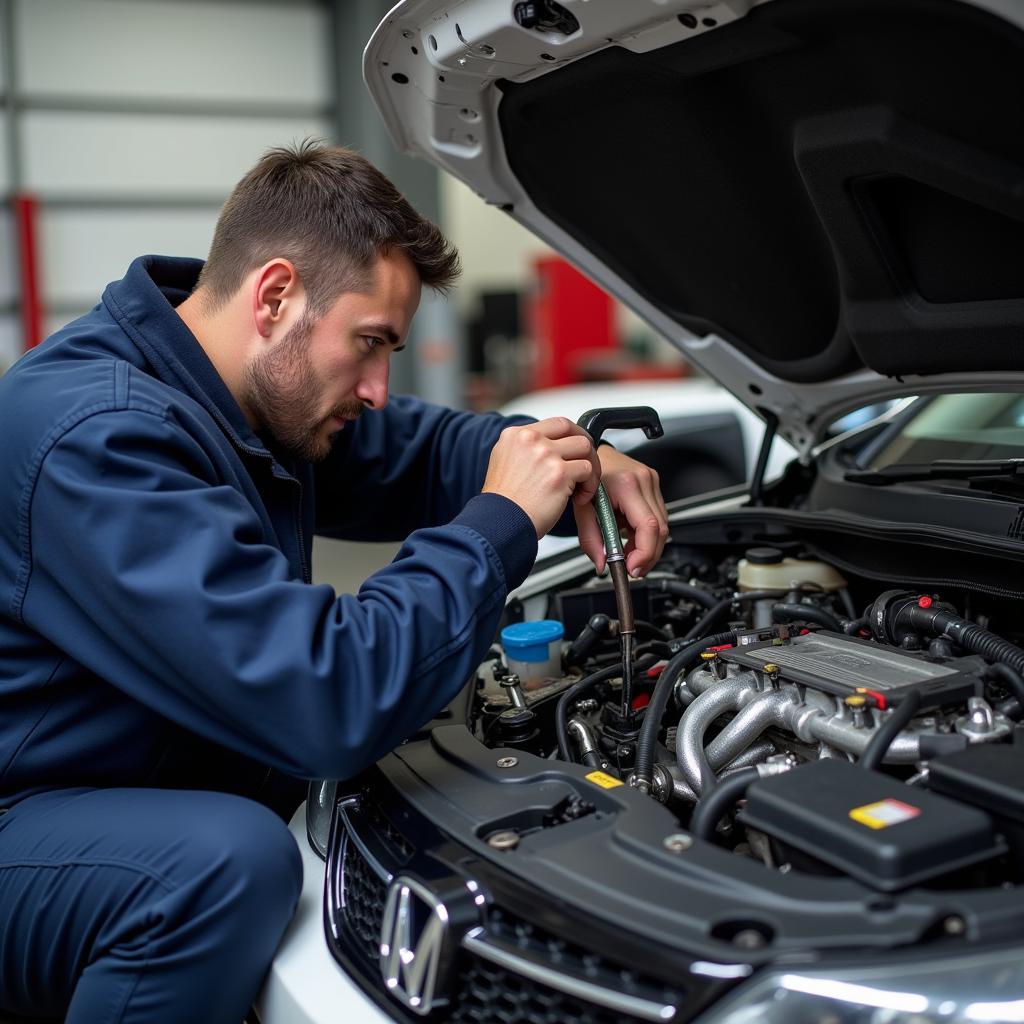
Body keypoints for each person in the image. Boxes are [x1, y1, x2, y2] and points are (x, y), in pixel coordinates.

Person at [0, 141, 668, 1023]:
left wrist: (570, 452)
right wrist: (502, 520)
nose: (380, 387)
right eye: (370, 344)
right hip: (24, 815)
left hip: (111, 785)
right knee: (217, 868)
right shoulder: (96, 439)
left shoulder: (233, 390)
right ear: (275, 295)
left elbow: (426, 449)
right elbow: (325, 699)